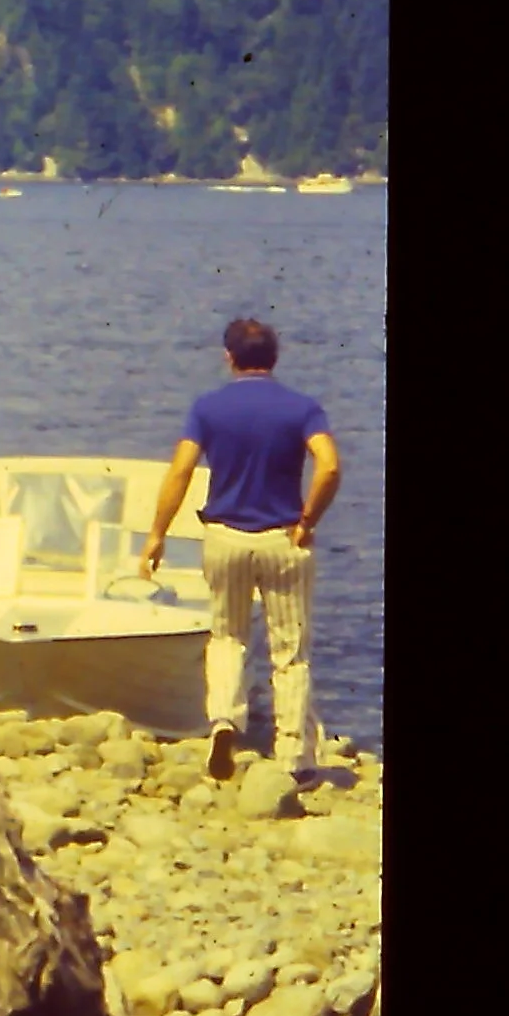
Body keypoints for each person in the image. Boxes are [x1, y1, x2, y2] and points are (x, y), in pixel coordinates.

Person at [141, 318, 342, 784]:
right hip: (282, 538)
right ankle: (294, 760)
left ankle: (224, 723)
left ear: (229, 358)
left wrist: (157, 533)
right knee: (289, 653)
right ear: (275, 357)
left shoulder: (208, 408)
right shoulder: (302, 408)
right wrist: (308, 521)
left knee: (228, 638)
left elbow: (180, 471)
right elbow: (329, 467)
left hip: (224, 538)